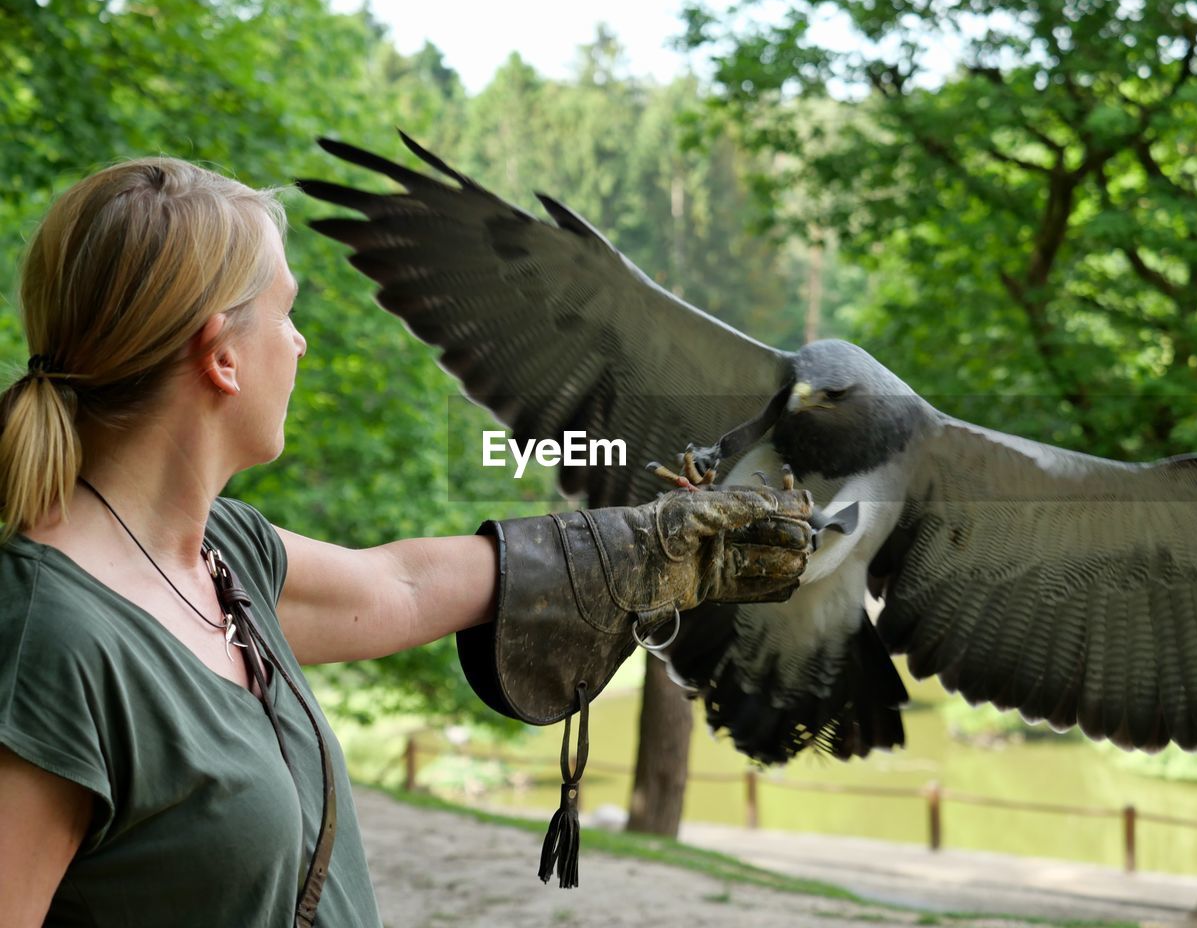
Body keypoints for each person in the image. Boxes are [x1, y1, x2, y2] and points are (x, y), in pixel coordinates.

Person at [0, 158, 813, 926]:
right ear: (221, 357)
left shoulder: (219, 554)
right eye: (287, 314)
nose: (300, 343)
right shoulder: (48, 644)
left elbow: (401, 586)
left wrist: (644, 550)